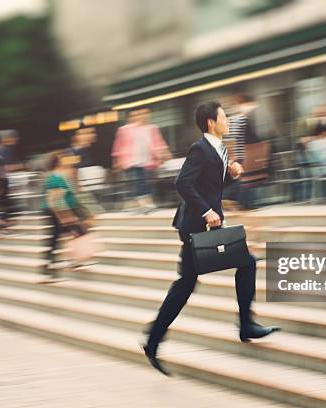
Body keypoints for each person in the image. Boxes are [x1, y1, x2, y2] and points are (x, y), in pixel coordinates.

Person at [142, 101, 280, 376]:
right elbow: (183, 183)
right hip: (196, 227)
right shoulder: (200, 148)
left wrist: (231, 177)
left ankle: (245, 324)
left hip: (207, 225)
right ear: (210, 123)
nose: (227, 120)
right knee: (187, 284)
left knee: (244, 263)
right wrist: (207, 212)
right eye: (223, 117)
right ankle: (154, 339)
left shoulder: (219, 149)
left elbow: (209, 186)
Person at [41, 152, 89, 282]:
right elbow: (54, 199)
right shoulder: (55, 177)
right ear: (59, 162)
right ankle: (49, 270)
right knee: (70, 234)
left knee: (67, 236)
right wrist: (64, 216)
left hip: (61, 211)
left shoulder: (61, 175)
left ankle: (69, 262)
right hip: (58, 212)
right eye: (64, 158)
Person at [111, 108, 171, 213]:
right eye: (135, 115)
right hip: (132, 160)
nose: (139, 117)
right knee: (140, 180)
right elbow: (118, 145)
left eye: (142, 114)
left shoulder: (151, 128)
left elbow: (158, 142)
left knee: (147, 181)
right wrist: (116, 160)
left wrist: (165, 153)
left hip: (148, 159)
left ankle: (141, 203)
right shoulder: (124, 129)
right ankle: (144, 203)